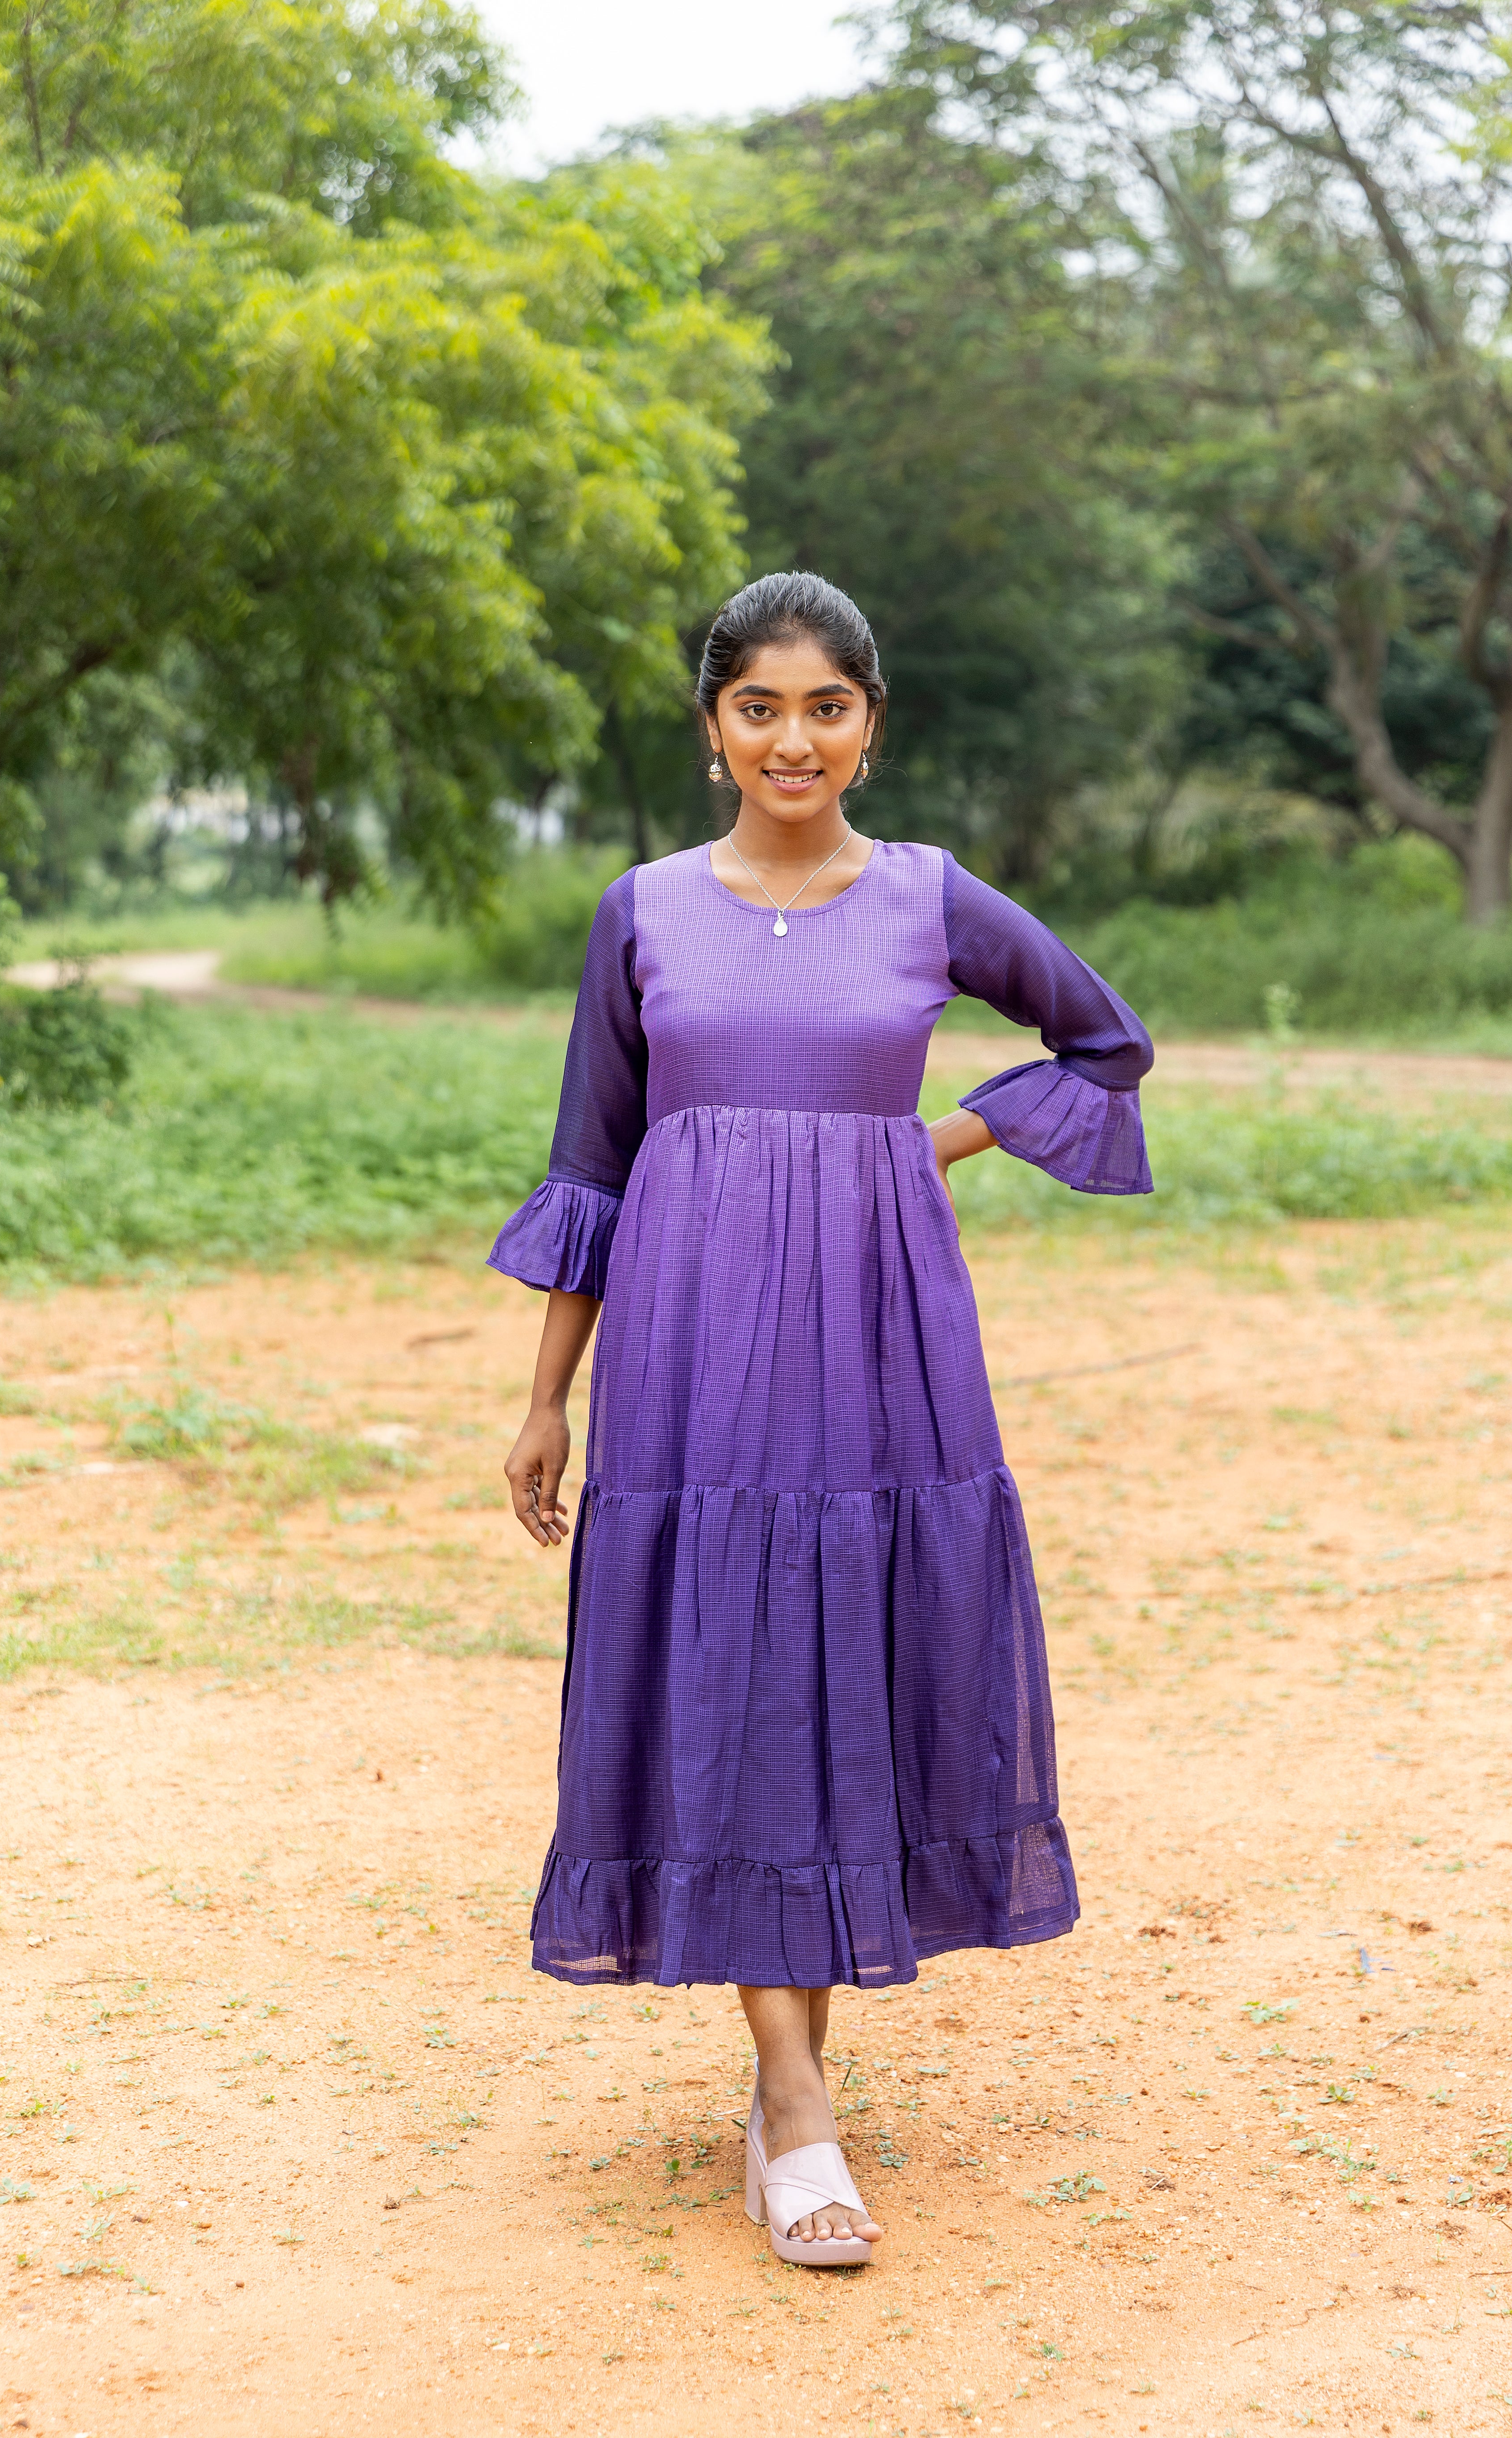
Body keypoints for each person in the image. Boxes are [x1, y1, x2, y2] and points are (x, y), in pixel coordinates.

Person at [491, 572, 1153, 2269]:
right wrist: (545, 1398)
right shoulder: (642, 911)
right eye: (762, 708)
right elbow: (593, 1163)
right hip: (694, 1339)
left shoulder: (931, 898)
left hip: (881, 1336)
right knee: (729, 1649)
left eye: (829, 707)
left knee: (846, 1640)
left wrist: (922, 1145)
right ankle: (792, 2102)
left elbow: (1104, 1040)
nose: (797, 738)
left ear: (872, 722)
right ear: (713, 729)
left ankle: (796, 2085)